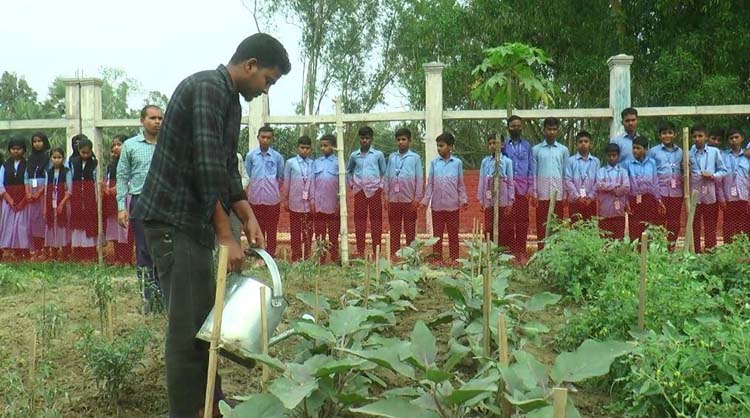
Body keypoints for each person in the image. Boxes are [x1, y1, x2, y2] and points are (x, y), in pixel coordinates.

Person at [131, 33, 289, 418]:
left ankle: (210, 405)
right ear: (250, 65)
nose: (265, 88)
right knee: (187, 329)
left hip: (191, 222)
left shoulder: (229, 101)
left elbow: (222, 169)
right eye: (267, 80)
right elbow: (204, 165)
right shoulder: (207, 88)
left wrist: (247, 214)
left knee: (206, 321)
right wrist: (225, 234)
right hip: (172, 221)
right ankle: (188, 412)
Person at [117, 105, 163, 310]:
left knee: (165, 251)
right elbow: (122, 176)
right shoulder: (130, 145)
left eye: (160, 118)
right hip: (140, 202)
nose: (157, 122)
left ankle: (164, 297)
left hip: (166, 203)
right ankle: (148, 298)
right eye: (152, 118)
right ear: (142, 120)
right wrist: (121, 206)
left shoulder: (170, 142)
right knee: (144, 251)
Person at [420, 132, 468, 264]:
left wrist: (463, 200)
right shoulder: (434, 163)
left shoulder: (457, 163)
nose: (439, 148)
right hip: (437, 207)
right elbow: (430, 184)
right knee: (437, 235)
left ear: (450, 146)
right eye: (437, 146)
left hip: (453, 206)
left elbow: (460, 184)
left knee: (453, 234)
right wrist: (425, 202)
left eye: (441, 145)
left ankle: (454, 258)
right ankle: (437, 258)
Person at [347, 126, 386, 258]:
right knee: (360, 222)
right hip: (360, 192)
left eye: (367, 138)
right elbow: (349, 172)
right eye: (362, 138)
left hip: (375, 192)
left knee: (376, 222)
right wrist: (352, 185)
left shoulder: (378, 155)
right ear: (359, 139)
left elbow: (384, 173)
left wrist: (380, 187)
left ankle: (377, 251)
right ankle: (360, 251)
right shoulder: (354, 155)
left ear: (371, 139)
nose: (365, 141)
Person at [245, 126, 284, 257]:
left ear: (272, 139)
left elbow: (280, 178)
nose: (265, 140)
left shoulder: (277, 158)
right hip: (255, 200)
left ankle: (270, 256)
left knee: (272, 230)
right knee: (257, 229)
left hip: (272, 201)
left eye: (268, 138)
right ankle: (258, 255)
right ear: (258, 138)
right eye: (263, 137)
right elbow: (248, 175)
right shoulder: (251, 156)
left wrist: (271, 190)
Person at [384, 128, 423, 259]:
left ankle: (410, 255)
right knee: (394, 229)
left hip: (409, 201)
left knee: (410, 229)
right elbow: (387, 178)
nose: (401, 142)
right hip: (394, 200)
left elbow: (419, 179)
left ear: (409, 141)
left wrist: (416, 199)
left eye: (403, 139)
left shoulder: (415, 158)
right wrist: (386, 197)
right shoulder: (391, 157)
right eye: (398, 140)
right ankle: (395, 254)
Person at [531, 117, 569, 250]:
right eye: (549, 129)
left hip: (558, 196)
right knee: (542, 226)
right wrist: (534, 193)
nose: (551, 132)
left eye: (554, 129)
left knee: (557, 226)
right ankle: (541, 253)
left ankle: (555, 254)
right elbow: (533, 173)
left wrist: (565, 194)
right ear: (544, 130)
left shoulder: (563, 150)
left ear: (558, 131)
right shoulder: (536, 150)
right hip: (542, 196)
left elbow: (566, 174)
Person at [689, 124, 727, 253]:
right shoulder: (688, 154)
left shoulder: (714, 152)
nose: (697, 138)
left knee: (710, 225)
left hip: (711, 195)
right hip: (694, 195)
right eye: (694, 136)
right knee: (695, 225)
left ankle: (710, 251)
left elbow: (723, 171)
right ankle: (696, 251)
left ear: (706, 137)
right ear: (691, 138)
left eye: (700, 136)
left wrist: (712, 176)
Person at [648, 121, 684, 250]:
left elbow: (684, 170)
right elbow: (651, 174)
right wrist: (656, 196)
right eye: (664, 133)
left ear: (674, 134)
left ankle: (671, 247)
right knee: (658, 221)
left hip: (676, 193)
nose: (667, 135)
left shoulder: (680, 151)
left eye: (670, 132)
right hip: (660, 193)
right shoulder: (653, 152)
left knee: (674, 222)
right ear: (659, 136)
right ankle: (658, 248)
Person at [502, 115, 534, 262]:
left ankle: (521, 252)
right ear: (508, 128)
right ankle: (510, 252)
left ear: (522, 127)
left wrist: (530, 188)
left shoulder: (527, 146)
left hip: (522, 190)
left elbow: (531, 168)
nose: (515, 128)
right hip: (507, 191)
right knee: (508, 222)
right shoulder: (504, 146)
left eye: (518, 126)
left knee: (522, 222)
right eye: (512, 126)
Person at [626, 136, 666, 242]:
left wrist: (658, 200)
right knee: (635, 228)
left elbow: (655, 182)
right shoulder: (628, 164)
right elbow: (627, 185)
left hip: (649, 200)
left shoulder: (652, 163)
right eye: (633, 148)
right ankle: (635, 254)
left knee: (648, 227)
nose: (635, 150)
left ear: (645, 149)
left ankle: (647, 253)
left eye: (638, 148)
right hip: (634, 200)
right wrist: (627, 202)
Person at [282, 135, 315, 261]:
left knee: (308, 231)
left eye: (307, 148)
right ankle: (295, 255)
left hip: (309, 204)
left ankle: (306, 255)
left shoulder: (313, 164)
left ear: (311, 149)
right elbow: (286, 182)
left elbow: (314, 182)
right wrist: (285, 199)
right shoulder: (290, 163)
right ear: (297, 148)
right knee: (295, 230)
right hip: (295, 202)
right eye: (302, 148)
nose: (305, 150)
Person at [478, 134, 514, 247]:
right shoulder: (485, 162)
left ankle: (503, 251)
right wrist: (481, 199)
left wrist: (510, 201)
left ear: (502, 145)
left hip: (503, 197)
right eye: (490, 144)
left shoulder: (507, 162)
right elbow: (482, 181)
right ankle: (490, 249)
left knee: (503, 226)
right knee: (489, 226)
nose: (493, 146)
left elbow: (511, 182)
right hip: (489, 197)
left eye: (495, 143)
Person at [0, 137, 31, 259]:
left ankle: (24, 251)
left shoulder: (28, 164)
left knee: (22, 226)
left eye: (19, 149)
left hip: (23, 201)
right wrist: (9, 199)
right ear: (9, 150)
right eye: (13, 149)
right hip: (8, 202)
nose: (16, 151)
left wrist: (23, 200)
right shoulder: (4, 166)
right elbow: (0, 184)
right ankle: (10, 251)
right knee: (8, 225)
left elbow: (28, 182)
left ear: (23, 150)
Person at [718, 128, 750, 243]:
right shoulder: (722, 156)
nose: (734, 140)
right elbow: (719, 180)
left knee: (745, 227)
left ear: (742, 138)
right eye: (731, 138)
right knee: (729, 227)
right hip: (728, 199)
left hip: (744, 197)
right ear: (728, 140)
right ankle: (729, 253)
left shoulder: (748, 157)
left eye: (736, 137)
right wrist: (721, 198)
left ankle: (743, 253)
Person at [69, 137, 98, 261]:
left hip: (90, 197)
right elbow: (70, 178)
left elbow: (96, 179)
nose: (85, 155)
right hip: (76, 197)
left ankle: (91, 252)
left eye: (88, 152)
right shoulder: (72, 162)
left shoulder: (95, 163)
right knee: (78, 223)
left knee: (90, 221)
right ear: (78, 150)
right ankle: (78, 251)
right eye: (83, 152)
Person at [104, 135, 132, 265]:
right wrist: (107, 188)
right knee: (115, 229)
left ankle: (127, 259)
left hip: (125, 198)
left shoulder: (131, 161)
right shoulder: (111, 164)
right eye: (113, 145)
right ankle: (118, 258)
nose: (116, 147)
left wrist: (118, 188)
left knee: (125, 230)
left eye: (119, 144)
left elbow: (131, 180)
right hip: (112, 200)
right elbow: (108, 179)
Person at [313, 134, 340, 264]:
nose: (323, 148)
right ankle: (320, 259)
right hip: (319, 205)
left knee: (334, 234)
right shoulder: (316, 163)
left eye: (326, 145)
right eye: (322, 146)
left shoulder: (339, 163)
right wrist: (313, 202)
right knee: (320, 234)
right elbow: (312, 183)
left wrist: (339, 204)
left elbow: (342, 185)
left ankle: (335, 259)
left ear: (333, 147)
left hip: (333, 205)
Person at [595, 144, 630, 239]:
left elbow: (626, 187)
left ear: (618, 156)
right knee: (605, 240)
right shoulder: (601, 171)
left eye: (614, 155)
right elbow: (599, 185)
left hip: (619, 213)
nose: (611, 158)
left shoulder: (623, 172)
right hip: (604, 212)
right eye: (609, 155)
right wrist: (616, 186)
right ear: (606, 156)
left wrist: (608, 188)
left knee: (618, 239)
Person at [564, 131, 599, 222]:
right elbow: (567, 180)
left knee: (589, 229)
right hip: (575, 202)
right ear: (576, 144)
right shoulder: (570, 161)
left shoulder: (596, 161)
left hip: (590, 202)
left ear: (590, 144)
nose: (583, 144)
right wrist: (578, 197)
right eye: (580, 141)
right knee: (575, 229)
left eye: (586, 141)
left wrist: (590, 197)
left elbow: (598, 181)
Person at [44, 148, 72, 260]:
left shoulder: (67, 171)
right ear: (51, 158)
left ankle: (65, 253)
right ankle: (53, 254)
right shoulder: (48, 172)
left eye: (59, 157)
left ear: (63, 158)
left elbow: (70, 191)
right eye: (54, 157)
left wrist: (61, 204)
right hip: (51, 202)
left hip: (64, 203)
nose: (57, 160)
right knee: (52, 227)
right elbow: (46, 190)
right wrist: (45, 207)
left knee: (63, 227)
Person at [26, 131, 51, 259]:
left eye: (39, 141)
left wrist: (39, 192)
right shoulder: (30, 158)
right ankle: (34, 249)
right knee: (31, 221)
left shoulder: (48, 157)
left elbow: (49, 177)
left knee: (43, 219)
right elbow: (26, 176)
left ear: (44, 142)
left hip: (43, 192)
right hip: (30, 191)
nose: (37, 144)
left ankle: (44, 249)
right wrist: (28, 192)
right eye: (34, 141)